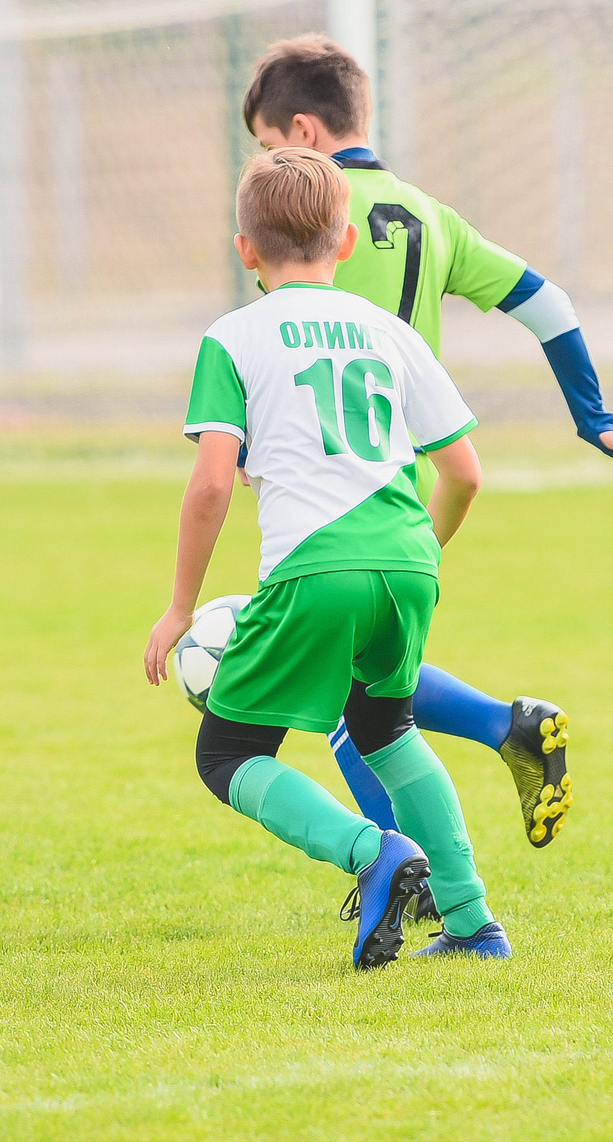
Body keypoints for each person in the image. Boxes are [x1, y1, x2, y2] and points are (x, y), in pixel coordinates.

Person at [236, 33, 613, 853]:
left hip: (328, 493)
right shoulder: (429, 217)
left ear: (302, 133)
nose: (265, 168)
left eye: (266, 148)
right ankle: (502, 736)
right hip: (410, 490)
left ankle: (406, 873)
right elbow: (548, 304)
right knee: (369, 689)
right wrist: (594, 418)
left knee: (351, 703)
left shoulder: (301, 221)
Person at [145, 145, 510, 968]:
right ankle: (473, 923)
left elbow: (210, 485)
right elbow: (465, 472)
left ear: (245, 248)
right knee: (388, 728)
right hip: (407, 557)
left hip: (316, 563)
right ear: (346, 242)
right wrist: (421, 552)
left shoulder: (233, 336)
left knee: (229, 753)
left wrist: (178, 608)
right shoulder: (389, 331)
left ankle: (372, 851)